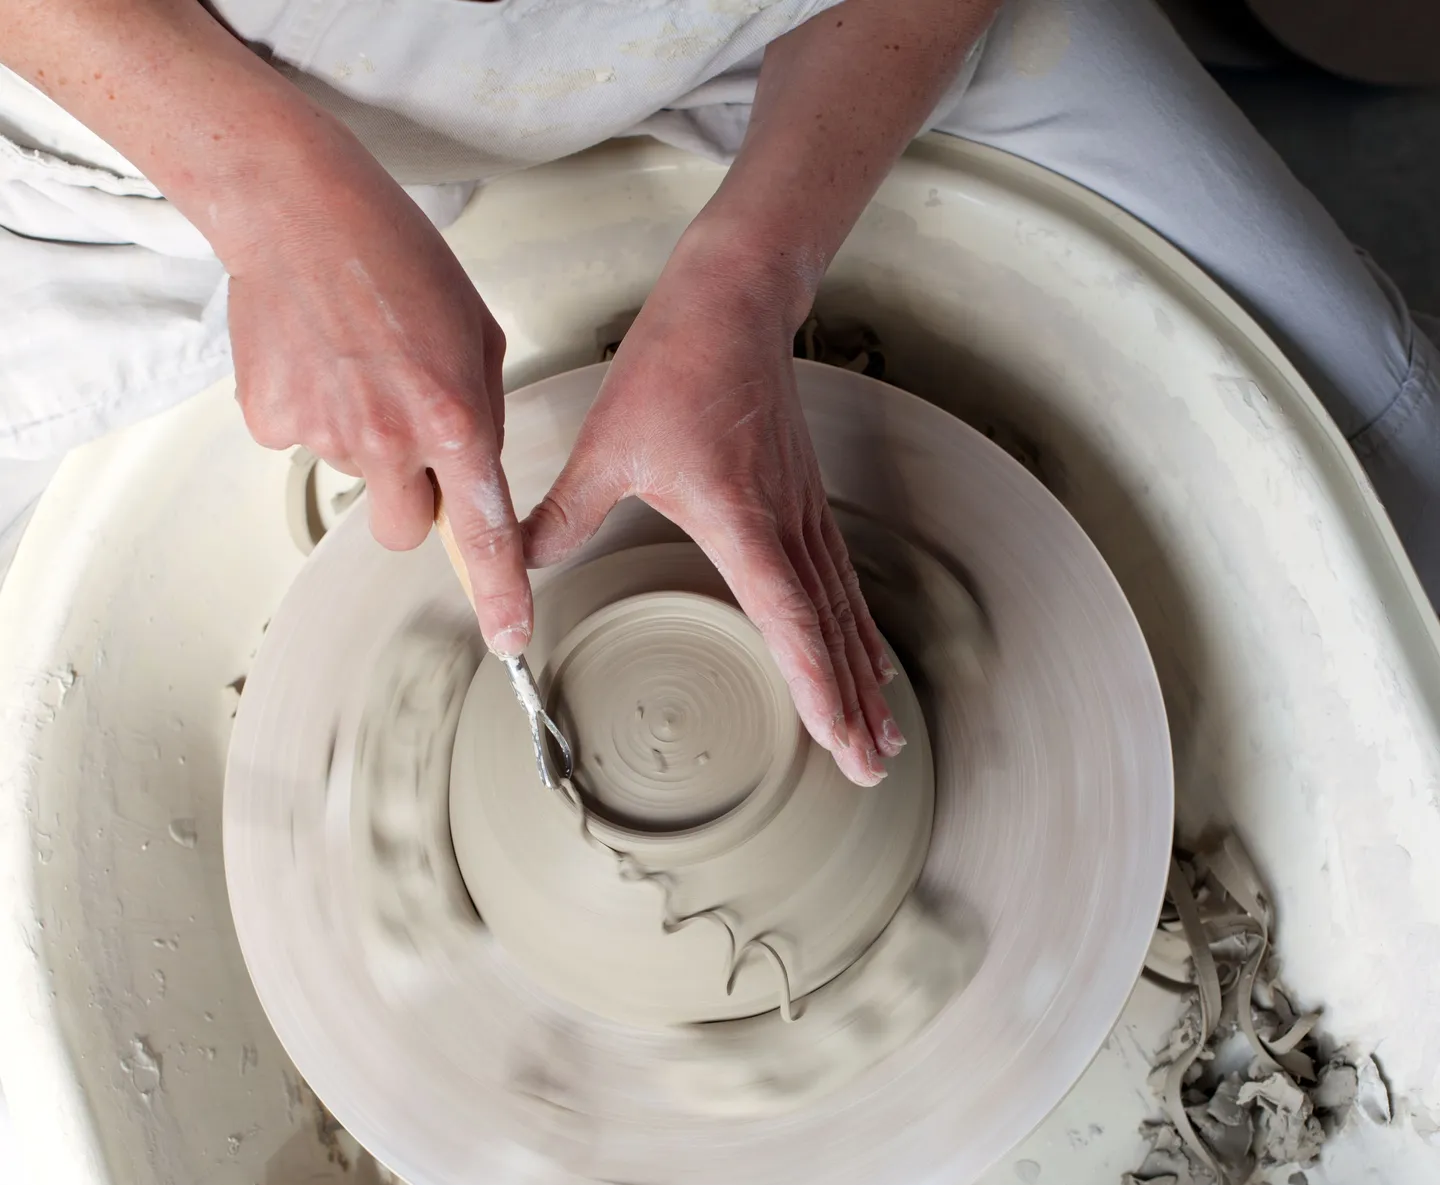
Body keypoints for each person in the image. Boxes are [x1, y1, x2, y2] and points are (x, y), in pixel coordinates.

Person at [3, 0, 1437, 793]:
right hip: (139, 115)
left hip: (764, 25)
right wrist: (272, 195)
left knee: (1378, 468)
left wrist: (751, 281)